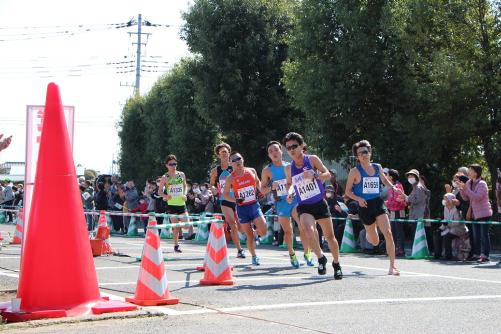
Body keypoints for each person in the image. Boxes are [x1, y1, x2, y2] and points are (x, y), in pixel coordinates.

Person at [284, 132, 343, 278]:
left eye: (294, 146)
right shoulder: (289, 168)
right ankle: (321, 257)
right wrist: (290, 194)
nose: (291, 150)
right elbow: (290, 185)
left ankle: (336, 264)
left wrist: (315, 176)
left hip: (319, 203)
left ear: (302, 146)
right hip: (304, 205)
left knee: (330, 237)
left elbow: (327, 174)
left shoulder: (312, 159)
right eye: (288, 147)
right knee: (308, 231)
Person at [345, 140, 400, 276]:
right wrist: (358, 199)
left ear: (370, 153)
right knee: (374, 241)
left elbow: (384, 180)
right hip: (364, 206)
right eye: (360, 153)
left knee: (388, 233)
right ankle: (370, 232)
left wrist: (393, 187)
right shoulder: (354, 172)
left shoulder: (377, 167)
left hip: (378, 203)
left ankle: (392, 266)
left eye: (366, 152)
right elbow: (347, 191)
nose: (364, 155)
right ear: (357, 157)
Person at [260, 141, 313, 268]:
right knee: (288, 232)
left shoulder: (290, 166)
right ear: (269, 155)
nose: (274, 152)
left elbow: (299, 182)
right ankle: (292, 254)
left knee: (303, 227)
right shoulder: (267, 170)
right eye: (271, 151)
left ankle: (308, 254)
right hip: (281, 203)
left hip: (294, 200)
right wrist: (271, 187)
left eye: (276, 150)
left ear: (281, 151)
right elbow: (262, 190)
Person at [223, 151, 267, 265]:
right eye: (234, 160)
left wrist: (260, 190)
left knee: (264, 231)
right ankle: (254, 256)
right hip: (242, 208)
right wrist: (235, 200)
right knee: (249, 236)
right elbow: (226, 195)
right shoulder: (230, 178)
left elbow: (258, 182)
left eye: (239, 159)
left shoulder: (251, 171)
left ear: (243, 159)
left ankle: (256, 233)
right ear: (230, 163)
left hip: (253, 205)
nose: (237, 162)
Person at [209, 143, 245, 258]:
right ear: (218, 155)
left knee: (241, 226)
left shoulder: (234, 166)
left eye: (226, 152)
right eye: (222, 152)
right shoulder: (215, 171)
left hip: (237, 198)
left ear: (229, 153)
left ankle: (250, 234)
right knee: (232, 224)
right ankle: (239, 250)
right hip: (224, 200)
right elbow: (211, 184)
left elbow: (243, 177)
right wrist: (213, 189)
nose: (224, 154)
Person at [457, 164, 493, 263]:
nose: (468, 172)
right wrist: (461, 189)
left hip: (484, 213)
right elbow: (466, 198)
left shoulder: (482, 183)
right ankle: (477, 254)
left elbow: (477, 197)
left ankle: (485, 255)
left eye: (470, 170)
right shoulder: (469, 182)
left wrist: (466, 189)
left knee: (484, 235)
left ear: (476, 173)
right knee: (476, 235)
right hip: (475, 213)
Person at [158, 154, 189, 253]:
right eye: (171, 164)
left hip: (181, 204)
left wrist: (185, 194)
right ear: (166, 165)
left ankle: (178, 226)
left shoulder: (181, 174)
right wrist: (165, 196)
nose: (173, 166)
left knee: (186, 225)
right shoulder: (165, 177)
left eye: (175, 164)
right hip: (171, 205)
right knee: (175, 228)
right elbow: (159, 192)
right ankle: (176, 245)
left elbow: (185, 187)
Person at [433, 193, 468, 260]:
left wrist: (447, 223)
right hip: (449, 228)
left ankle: (448, 256)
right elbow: (446, 220)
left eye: (446, 199)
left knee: (447, 237)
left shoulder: (456, 209)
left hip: (459, 229)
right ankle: (437, 254)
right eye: (444, 199)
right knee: (436, 234)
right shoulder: (445, 208)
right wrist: (441, 228)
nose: (445, 201)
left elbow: (457, 222)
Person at [385, 169, 406, 256]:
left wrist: (387, 203)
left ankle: (400, 249)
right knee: (393, 231)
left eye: (387, 175)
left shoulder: (397, 186)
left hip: (398, 210)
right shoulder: (391, 186)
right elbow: (392, 199)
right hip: (393, 210)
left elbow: (398, 199)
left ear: (391, 177)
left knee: (398, 231)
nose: (386, 177)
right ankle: (394, 249)